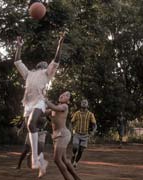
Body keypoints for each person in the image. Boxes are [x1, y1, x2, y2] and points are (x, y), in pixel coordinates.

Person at [14, 33, 65, 170]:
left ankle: (35, 158)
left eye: (45, 63)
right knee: (31, 128)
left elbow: (56, 60)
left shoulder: (47, 74)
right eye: (42, 62)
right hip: (27, 104)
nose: (44, 63)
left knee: (31, 123)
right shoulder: (28, 74)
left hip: (39, 101)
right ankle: (37, 159)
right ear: (37, 65)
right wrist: (19, 47)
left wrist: (60, 44)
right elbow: (18, 61)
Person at [46, 91, 81, 180]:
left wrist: (44, 100)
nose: (63, 95)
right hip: (56, 135)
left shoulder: (64, 106)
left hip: (63, 134)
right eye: (62, 93)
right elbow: (44, 112)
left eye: (66, 95)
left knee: (57, 159)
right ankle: (77, 178)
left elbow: (53, 106)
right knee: (64, 160)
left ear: (68, 101)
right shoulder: (54, 109)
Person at [71, 99, 96, 168]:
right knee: (75, 146)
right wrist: (72, 130)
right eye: (83, 102)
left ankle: (75, 162)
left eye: (86, 102)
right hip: (77, 133)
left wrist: (93, 132)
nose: (84, 103)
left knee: (81, 150)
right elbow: (72, 122)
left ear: (87, 105)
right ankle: (73, 155)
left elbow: (94, 124)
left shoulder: (90, 114)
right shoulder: (77, 113)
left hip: (85, 135)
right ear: (81, 104)